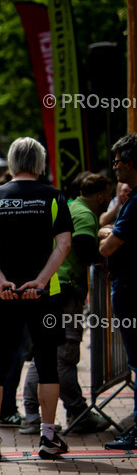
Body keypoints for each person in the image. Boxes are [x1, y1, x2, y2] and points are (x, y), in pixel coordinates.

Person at [0, 137, 73, 461]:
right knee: (47, 364)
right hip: (45, 294)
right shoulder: (55, 197)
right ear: (40, 163)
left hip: (4, 294)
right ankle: (48, 437)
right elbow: (64, 246)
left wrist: (1, 281)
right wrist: (41, 281)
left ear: (12, 162)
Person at [20, 173, 114, 434]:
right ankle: (77, 412)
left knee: (44, 355)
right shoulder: (84, 215)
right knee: (66, 356)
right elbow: (86, 251)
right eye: (109, 194)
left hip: (51, 287)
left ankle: (31, 415)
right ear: (101, 196)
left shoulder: (71, 206)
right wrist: (106, 253)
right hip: (66, 292)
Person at [99, 134, 137, 449]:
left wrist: (105, 237)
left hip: (130, 288)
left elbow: (109, 247)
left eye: (118, 161)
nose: (114, 167)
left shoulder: (135, 202)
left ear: (131, 162)